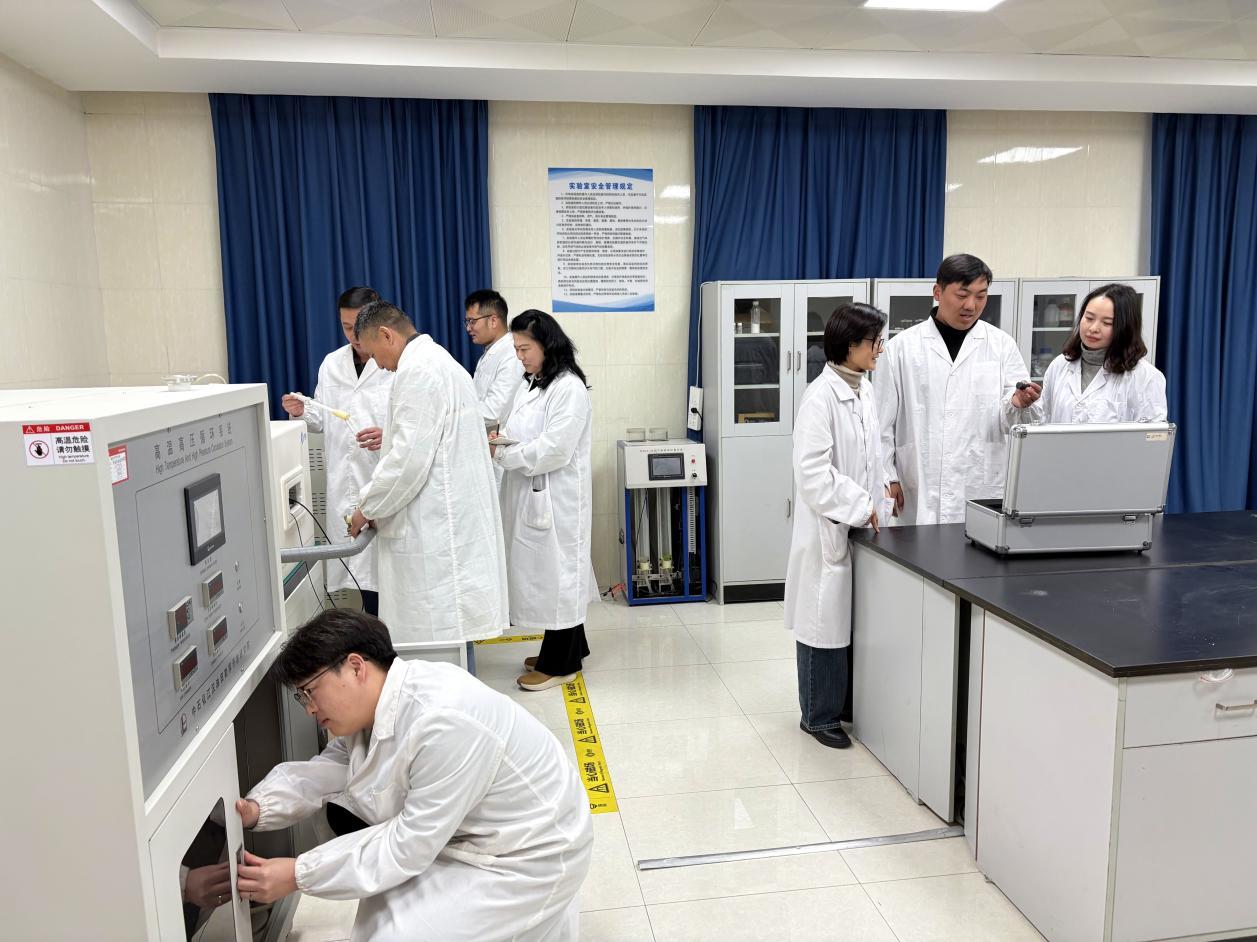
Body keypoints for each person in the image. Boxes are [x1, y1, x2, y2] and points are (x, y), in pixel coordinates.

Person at [234, 610, 593, 942]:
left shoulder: (441, 720)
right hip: (467, 837)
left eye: (310, 692)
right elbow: (330, 769)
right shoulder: (382, 706)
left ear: (356, 667)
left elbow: (407, 845)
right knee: (380, 918)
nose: (310, 708)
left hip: (529, 854)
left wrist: (298, 874)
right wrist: (257, 808)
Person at [348, 300, 508, 646]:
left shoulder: (418, 372)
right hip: (447, 522)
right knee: (452, 640)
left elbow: (407, 461)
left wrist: (367, 507)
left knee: (438, 638)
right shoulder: (440, 362)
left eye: (374, 354)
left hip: (436, 531)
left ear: (386, 335)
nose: (378, 365)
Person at [786, 303, 890, 749]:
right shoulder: (820, 397)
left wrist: (880, 495)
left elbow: (871, 454)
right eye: (874, 342)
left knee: (846, 624)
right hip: (829, 528)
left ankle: (842, 706)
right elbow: (813, 474)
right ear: (850, 345)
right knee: (821, 623)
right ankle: (818, 716)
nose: (880, 350)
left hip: (857, 524)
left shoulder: (863, 390)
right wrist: (860, 503)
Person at [878, 254, 1044, 525]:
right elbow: (882, 422)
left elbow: (1017, 422)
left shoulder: (1001, 345)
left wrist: (1018, 403)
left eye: (981, 296)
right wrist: (888, 476)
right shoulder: (902, 348)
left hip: (980, 484)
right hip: (918, 484)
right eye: (962, 295)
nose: (971, 305)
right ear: (938, 292)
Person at [492, 310, 595, 692]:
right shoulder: (535, 383)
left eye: (525, 349)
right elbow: (523, 430)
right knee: (551, 576)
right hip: (532, 490)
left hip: (556, 497)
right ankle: (572, 646)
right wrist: (503, 442)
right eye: (516, 349)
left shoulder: (568, 388)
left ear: (547, 345)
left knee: (559, 577)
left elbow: (555, 448)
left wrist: (505, 454)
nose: (519, 356)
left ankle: (562, 663)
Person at [282, 286, 393, 616]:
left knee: (388, 574)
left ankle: (388, 638)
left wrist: (389, 436)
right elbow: (323, 418)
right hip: (343, 481)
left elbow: (414, 422)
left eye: (359, 326)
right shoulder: (332, 363)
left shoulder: (394, 363)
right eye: (346, 327)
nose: (354, 336)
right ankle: (373, 635)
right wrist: (303, 410)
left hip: (383, 477)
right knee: (358, 576)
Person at [1039, 282, 1168, 424]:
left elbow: (1152, 435)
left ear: (1125, 328)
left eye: (1107, 323)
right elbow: (1042, 419)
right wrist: (1026, 405)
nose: (1093, 328)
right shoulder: (1059, 365)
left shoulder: (1145, 377)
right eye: (1089, 318)